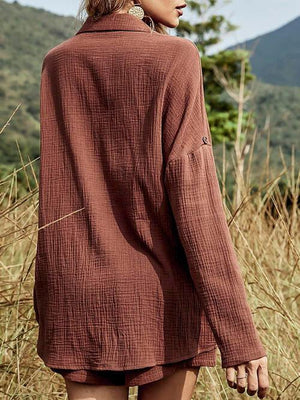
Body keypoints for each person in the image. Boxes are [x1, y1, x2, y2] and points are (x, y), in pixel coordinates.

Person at [33, 0, 270, 399]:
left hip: (75, 290)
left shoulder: (58, 61)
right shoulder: (176, 56)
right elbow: (196, 200)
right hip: (160, 295)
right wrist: (239, 335)